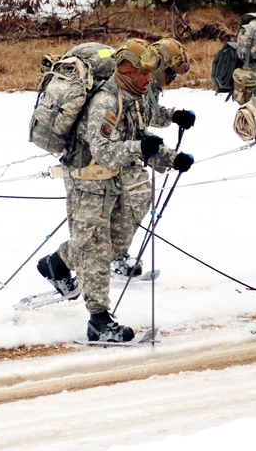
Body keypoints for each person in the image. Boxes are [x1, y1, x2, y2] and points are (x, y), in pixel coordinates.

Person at [37, 39, 195, 342]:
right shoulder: (106, 102)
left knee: (116, 243)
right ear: (125, 70)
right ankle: (99, 319)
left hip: (114, 179)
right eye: (143, 74)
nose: (149, 79)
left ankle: (56, 263)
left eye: (151, 74)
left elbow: (140, 137)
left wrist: (172, 158)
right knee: (95, 248)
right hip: (88, 181)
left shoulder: (132, 98)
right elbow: (104, 150)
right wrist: (140, 147)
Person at [109, 37, 195, 278]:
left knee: (128, 200)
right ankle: (109, 255)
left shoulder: (145, 86)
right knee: (137, 195)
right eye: (170, 73)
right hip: (110, 154)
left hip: (122, 150)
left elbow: (147, 118)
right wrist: (167, 157)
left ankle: (113, 254)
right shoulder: (135, 84)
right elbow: (138, 130)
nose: (172, 79)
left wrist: (173, 116)